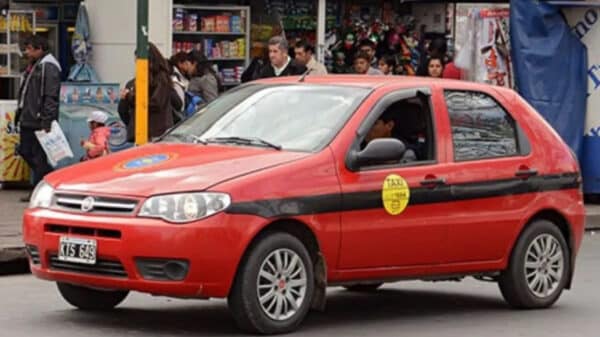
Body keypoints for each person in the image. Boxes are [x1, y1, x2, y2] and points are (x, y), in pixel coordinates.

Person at [15, 35, 61, 202]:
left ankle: (43, 184)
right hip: (28, 117)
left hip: (38, 119)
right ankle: (46, 179)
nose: (27, 52)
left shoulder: (48, 66)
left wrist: (47, 119)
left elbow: (50, 95)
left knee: (38, 155)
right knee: (25, 150)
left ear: (39, 49)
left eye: (29, 49)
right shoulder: (35, 66)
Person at [119, 43, 182, 142]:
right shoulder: (162, 78)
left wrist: (129, 97)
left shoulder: (158, 79)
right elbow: (177, 103)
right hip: (155, 131)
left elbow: (155, 103)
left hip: (155, 132)